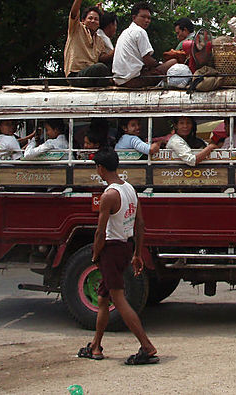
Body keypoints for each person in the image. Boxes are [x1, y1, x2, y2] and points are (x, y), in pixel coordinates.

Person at [78, 149, 158, 365]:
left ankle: (147, 346)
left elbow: (100, 232)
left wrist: (95, 254)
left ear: (100, 169)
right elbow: (139, 223)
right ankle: (95, 346)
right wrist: (137, 253)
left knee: (119, 299)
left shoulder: (109, 195)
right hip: (126, 246)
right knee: (103, 299)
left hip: (111, 250)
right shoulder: (130, 189)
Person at [112, 3, 177, 88]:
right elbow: (147, 60)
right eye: (143, 17)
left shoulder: (125, 32)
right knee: (173, 62)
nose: (147, 20)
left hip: (119, 80)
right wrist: (160, 65)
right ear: (134, 18)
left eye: (149, 18)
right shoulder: (139, 31)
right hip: (132, 80)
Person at [64, 0, 111, 78]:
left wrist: (119, 48)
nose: (93, 21)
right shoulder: (77, 29)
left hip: (91, 76)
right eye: (90, 18)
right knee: (100, 68)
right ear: (83, 20)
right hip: (76, 75)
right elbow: (73, 13)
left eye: (96, 19)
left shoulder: (99, 40)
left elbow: (103, 57)